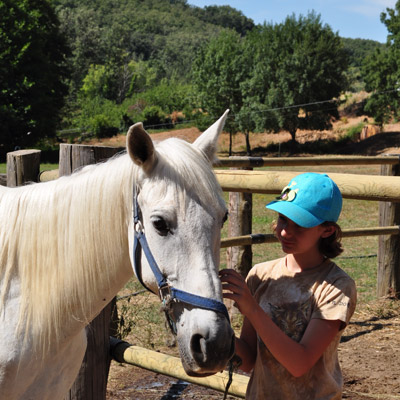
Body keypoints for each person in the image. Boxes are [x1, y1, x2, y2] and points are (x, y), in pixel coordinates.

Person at [219, 172, 357, 400]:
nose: (284, 232)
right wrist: (214, 330)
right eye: (283, 218)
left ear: (327, 230)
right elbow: (249, 359)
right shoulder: (261, 275)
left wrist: (252, 309)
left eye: (299, 225)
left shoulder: (337, 286)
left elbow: (299, 363)